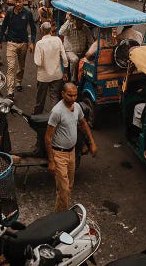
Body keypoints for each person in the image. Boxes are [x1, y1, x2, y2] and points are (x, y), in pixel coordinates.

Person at [45, 82, 97, 211]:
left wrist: (92, 142)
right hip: (59, 154)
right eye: (70, 95)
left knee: (69, 187)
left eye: (75, 95)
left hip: (72, 153)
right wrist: (51, 161)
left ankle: (60, 213)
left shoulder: (77, 107)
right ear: (63, 94)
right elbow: (47, 137)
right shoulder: (57, 111)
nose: (72, 98)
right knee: (63, 189)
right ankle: (62, 218)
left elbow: (84, 124)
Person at [0, 0, 36, 99]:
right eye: (16, 2)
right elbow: (3, 27)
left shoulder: (28, 13)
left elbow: (33, 28)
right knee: (10, 67)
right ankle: (10, 91)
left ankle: (18, 81)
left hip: (23, 43)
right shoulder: (9, 12)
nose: (18, 4)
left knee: (21, 66)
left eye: (20, 2)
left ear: (23, 2)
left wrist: (32, 42)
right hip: (11, 43)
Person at [33, 21, 67, 114]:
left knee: (41, 97)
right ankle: (55, 116)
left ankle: (37, 114)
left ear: (42, 30)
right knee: (54, 96)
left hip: (43, 76)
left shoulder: (40, 43)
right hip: (57, 74)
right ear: (50, 30)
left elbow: (38, 62)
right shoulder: (58, 40)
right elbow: (64, 57)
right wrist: (65, 71)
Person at [59, 12, 94, 82]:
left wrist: (91, 52)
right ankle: (72, 80)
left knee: (90, 63)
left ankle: (82, 79)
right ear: (75, 20)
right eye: (78, 21)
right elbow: (60, 32)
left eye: (82, 21)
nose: (80, 23)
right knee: (75, 59)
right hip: (69, 52)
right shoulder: (69, 26)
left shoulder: (85, 28)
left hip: (82, 52)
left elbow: (91, 41)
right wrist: (68, 20)